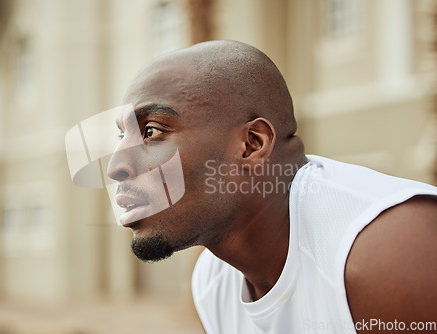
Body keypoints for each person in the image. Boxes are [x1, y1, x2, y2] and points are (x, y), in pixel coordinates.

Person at [105, 40, 437, 333]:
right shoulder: (213, 281)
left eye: (151, 131)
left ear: (251, 144)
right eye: (123, 136)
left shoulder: (386, 249)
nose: (115, 167)